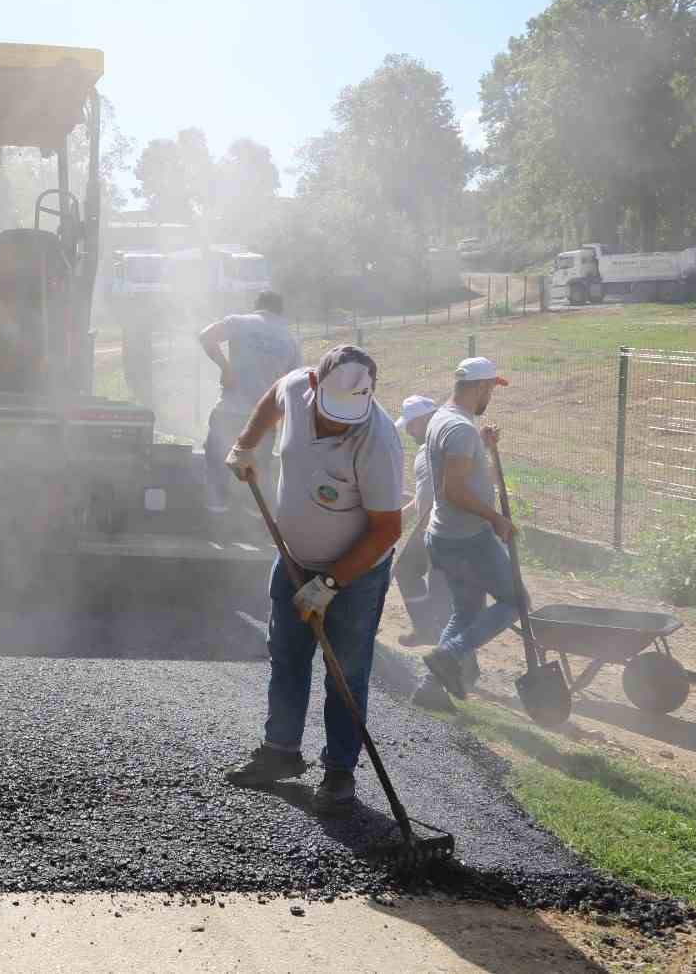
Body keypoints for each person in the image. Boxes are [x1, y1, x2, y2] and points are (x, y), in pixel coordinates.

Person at [221, 345, 405, 810]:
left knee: (345, 671)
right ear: (316, 386)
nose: (337, 423)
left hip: (356, 574)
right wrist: (246, 443)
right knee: (287, 655)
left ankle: (339, 772)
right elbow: (273, 396)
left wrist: (328, 586)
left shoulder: (377, 440)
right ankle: (279, 752)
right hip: (294, 559)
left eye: (347, 415)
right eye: (330, 411)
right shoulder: (298, 386)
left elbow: (387, 528)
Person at [416, 357, 519, 708]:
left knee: (466, 613)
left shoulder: (446, 420)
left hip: (445, 535)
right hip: (466, 539)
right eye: (491, 387)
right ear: (477, 387)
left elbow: (464, 472)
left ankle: (430, 689)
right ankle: (450, 656)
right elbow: (455, 491)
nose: (492, 394)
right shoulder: (459, 430)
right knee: (515, 601)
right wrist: (496, 519)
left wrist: (484, 446)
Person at [198, 290, 300, 514]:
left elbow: (205, 336)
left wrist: (226, 368)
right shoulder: (290, 339)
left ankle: (216, 514)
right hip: (263, 419)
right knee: (257, 474)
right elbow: (292, 383)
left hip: (229, 410)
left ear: (257, 305)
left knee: (217, 464)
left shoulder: (239, 322)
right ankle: (254, 519)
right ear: (280, 311)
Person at [393, 394, 453, 649]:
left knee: (442, 592)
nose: (407, 430)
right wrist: (400, 518)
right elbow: (423, 498)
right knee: (406, 568)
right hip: (444, 523)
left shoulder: (429, 450)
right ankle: (427, 630)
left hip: (442, 529)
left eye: (410, 424)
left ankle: (455, 654)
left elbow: (428, 502)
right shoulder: (444, 440)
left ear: (424, 419)